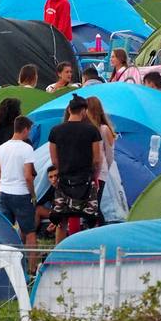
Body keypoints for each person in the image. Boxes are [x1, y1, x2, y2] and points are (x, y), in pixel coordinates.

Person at [48, 96, 103, 242]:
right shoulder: (92, 131)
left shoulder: (55, 131)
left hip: (64, 180)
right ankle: (92, 252)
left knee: (61, 220)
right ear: (84, 111)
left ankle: (58, 257)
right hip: (85, 180)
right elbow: (97, 159)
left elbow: (54, 160)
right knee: (91, 219)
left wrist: (62, 171)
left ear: (69, 110)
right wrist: (94, 176)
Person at [0, 115, 40, 271]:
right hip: (21, 194)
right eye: (29, 130)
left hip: (5, 194)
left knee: (7, 232)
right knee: (30, 232)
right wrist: (32, 194)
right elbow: (28, 176)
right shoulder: (26, 148)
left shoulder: (1, 148)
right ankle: (32, 269)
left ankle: (9, 268)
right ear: (25, 129)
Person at [86, 96, 126, 224]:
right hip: (98, 169)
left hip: (104, 170)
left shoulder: (103, 129)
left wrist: (105, 169)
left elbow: (109, 154)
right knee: (95, 204)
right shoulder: (91, 129)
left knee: (97, 203)